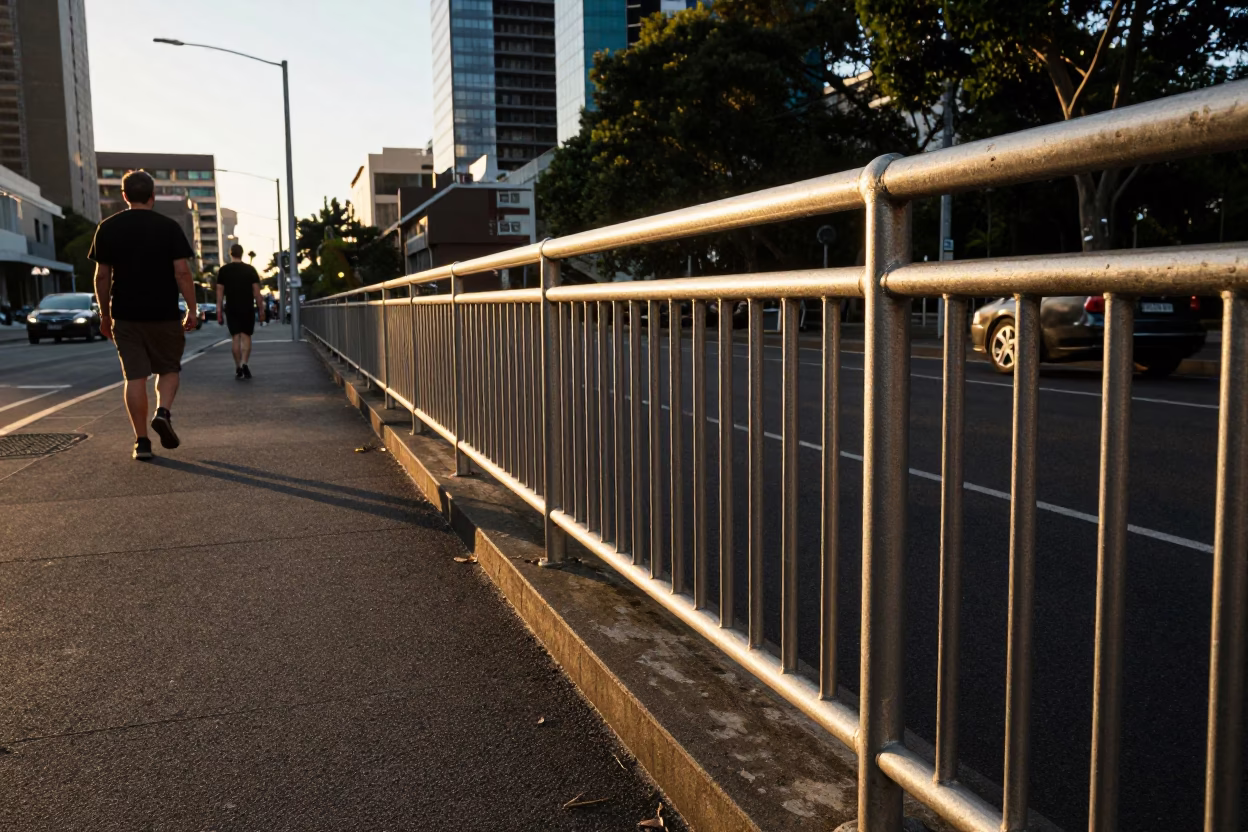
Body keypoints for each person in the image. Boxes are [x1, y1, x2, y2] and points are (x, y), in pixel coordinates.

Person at [89, 170, 199, 461]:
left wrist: (104, 315)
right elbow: (182, 273)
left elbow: (102, 276)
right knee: (169, 369)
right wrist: (192, 308)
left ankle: (142, 443)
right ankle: (163, 412)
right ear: (153, 195)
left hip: (126, 314)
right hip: (164, 313)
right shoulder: (169, 227)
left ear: (125, 196)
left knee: (135, 377)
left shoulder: (107, 228)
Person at [215, 243, 265, 378]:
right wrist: (261, 310)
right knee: (246, 336)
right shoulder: (250, 270)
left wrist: (219, 311)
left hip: (231, 308)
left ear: (230, 254)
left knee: (235, 337)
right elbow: (257, 293)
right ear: (242, 254)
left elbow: (219, 293)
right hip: (247, 307)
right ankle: (244, 363)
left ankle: (238, 366)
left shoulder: (224, 270)